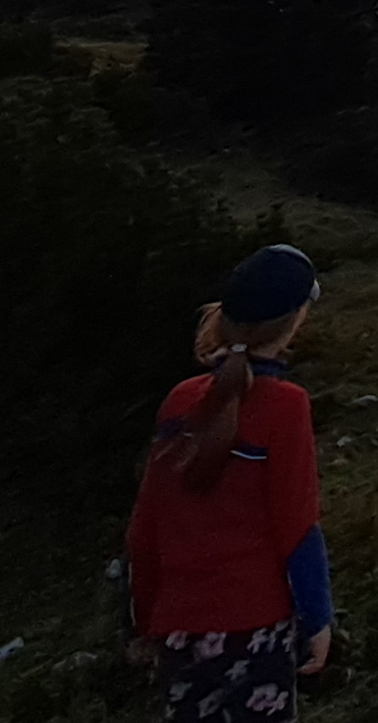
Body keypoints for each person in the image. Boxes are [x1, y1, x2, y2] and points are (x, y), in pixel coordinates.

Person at [127, 244, 335, 716]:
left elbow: (144, 529)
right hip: (256, 627)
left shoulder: (180, 401)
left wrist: (142, 621)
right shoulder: (287, 407)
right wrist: (318, 620)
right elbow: (297, 527)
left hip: (178, 631)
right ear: (295, 320)